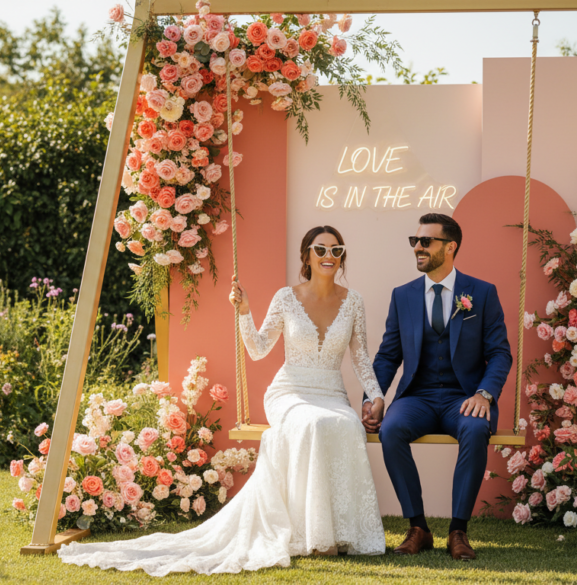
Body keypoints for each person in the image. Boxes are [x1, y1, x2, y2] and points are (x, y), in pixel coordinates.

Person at [57, 226, 386, 576]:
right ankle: (319, 539)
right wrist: (244, 311)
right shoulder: (286, 298)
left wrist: (377, 396)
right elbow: (259, 350)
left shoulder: (353, 302)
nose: (328, 257)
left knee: (346, 423)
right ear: (306, 255)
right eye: (321, 250)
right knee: (314, 424)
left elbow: (361, 356)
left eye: (336, 251)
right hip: (291, 392)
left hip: (332, 393)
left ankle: (345, 532)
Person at [362, 213, 512, 561]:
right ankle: (418, 528)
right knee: (393, 429)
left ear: (450, 246)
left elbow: (500, 354)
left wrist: (484, 394)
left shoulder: (482, 293)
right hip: (418, 396)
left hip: (464, 397)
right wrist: (375, 397)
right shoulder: (403, 296)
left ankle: (458, 531)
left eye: (426, 241)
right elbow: (388, 356)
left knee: (476, 430)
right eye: (414, 241)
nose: (418, 247)